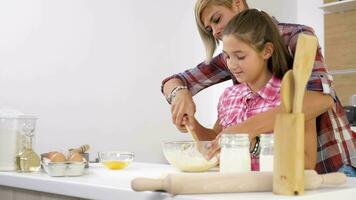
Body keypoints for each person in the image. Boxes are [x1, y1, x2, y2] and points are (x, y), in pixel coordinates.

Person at [161, 0, 356, 175]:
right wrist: (180, 96)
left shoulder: (297, 36)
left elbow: (321, 99)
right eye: (209, 29)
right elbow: (174, 81)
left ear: (237, 3)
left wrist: (244, 132)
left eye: (216, 19)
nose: (215, 32)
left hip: (333, 164)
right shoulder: (229, 68)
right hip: (271, 178)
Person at [187, 8, 317, 170]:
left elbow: (307, 163)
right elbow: (216, 145)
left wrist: (255, 146)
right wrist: (193, 125)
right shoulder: (229, 96)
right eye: (227, 56)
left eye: (240, 56)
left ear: (266, 51)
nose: (232, 65)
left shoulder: (295, 98)